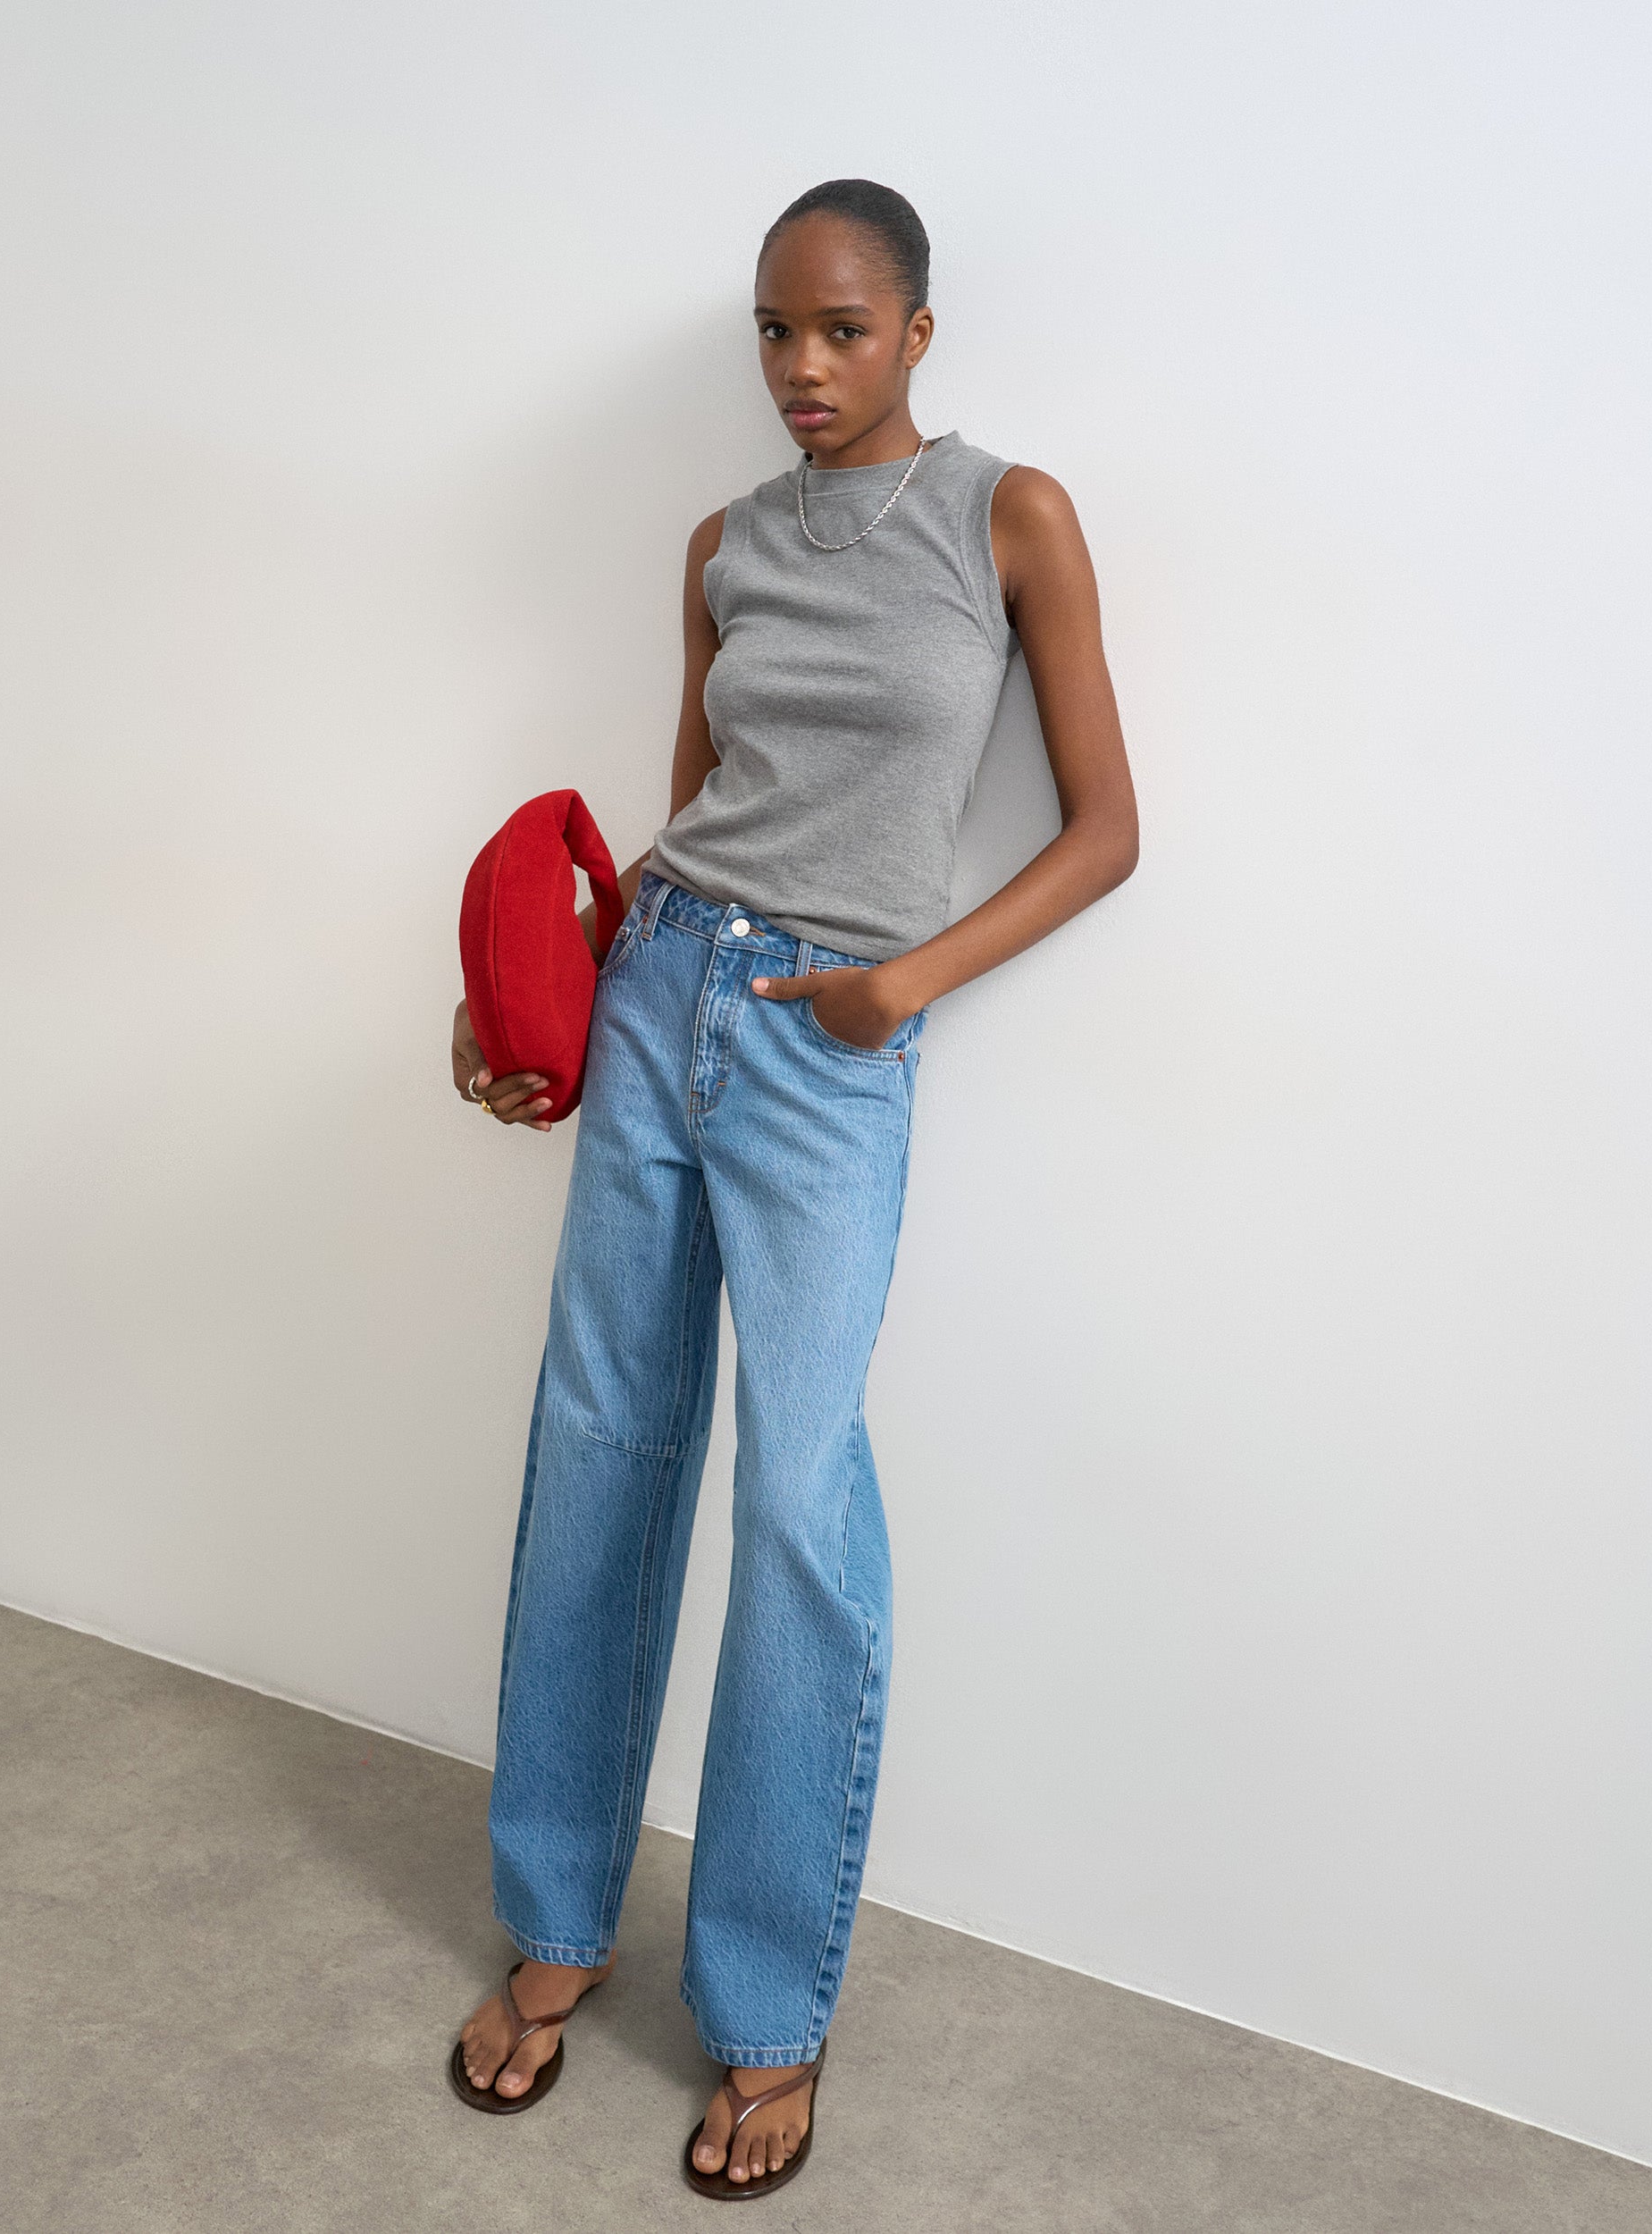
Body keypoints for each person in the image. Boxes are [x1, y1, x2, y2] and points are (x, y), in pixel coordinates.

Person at [448, 177, 1137, 2196]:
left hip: (831, 1040)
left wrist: (897, 986)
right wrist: (537, 1009)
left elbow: (1106, 829)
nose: (801, 367)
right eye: (775, 329)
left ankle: (765, 2008)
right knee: (598, 1449)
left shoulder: (1009, 516)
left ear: (917, 330)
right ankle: (556, 1918)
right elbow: (690, 813)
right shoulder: (723, 544)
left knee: (797, 1496)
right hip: (666, 989)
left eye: (840, 328)